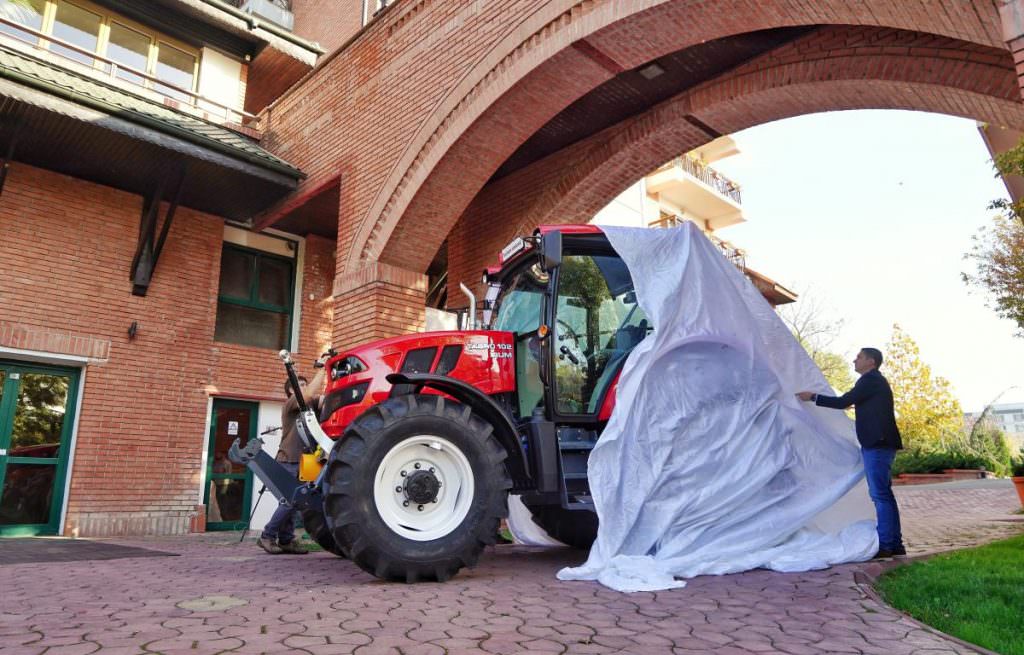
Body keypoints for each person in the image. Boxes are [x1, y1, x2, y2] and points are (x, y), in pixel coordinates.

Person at [796, 347, 906, 558]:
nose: (854, 360)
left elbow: (843, 402)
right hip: (879, 443)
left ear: (871, 361)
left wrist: (813, 397)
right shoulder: (873, 382)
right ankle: (894, 543)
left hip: (878, 444)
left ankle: (887, 545)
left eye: (859, 357)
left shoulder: (870, 380)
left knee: (881, 495)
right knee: (884, 495)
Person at [257, 364, 326, 555]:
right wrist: (321, 369)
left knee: (297, 502)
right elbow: (307, 395)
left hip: (307, 461)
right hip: (288, 460)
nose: (304, 387)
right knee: (289, 501)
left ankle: (286, 540)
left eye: (305, 384)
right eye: (300, 385)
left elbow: (328, 400)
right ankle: (267, 536)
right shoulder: (291, 404)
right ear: (291, 390)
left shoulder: (311, 406)